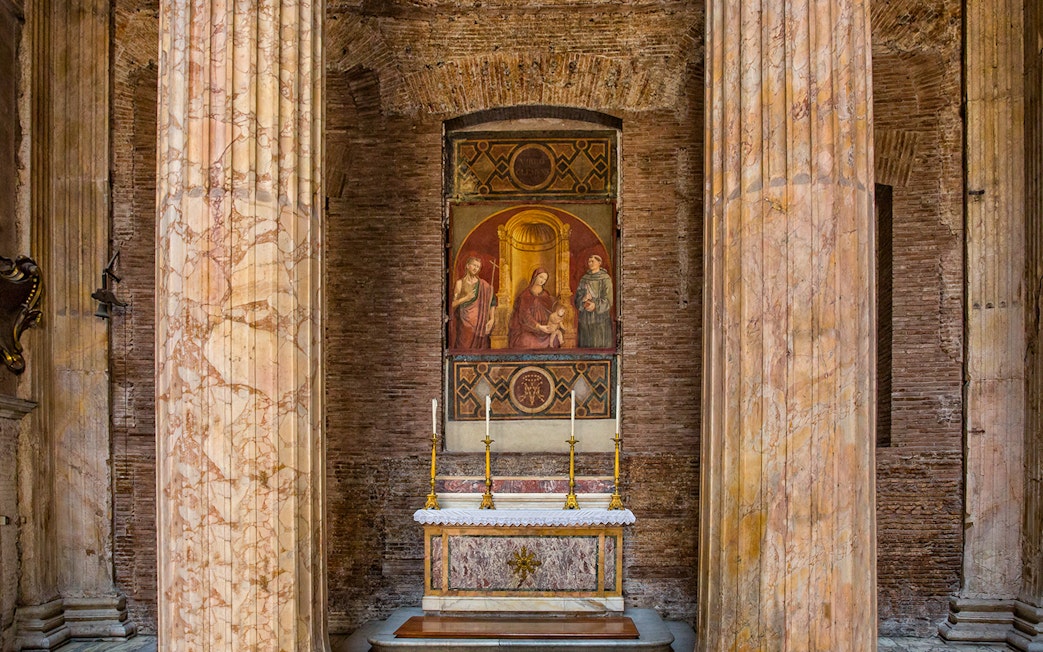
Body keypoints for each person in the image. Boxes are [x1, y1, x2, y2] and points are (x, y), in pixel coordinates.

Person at [451, 256, 495, 350]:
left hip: (480, 324)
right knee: (463, 347)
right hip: (464, 324)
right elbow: (453, 304)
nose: (476, 269)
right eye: (474, 265)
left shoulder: (485, 285)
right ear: (467, 266)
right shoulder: (460, 283)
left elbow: (492, 302)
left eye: (478, 267)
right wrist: (466, 298)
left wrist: (492, 319)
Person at [508, 268, 558, 349]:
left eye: (545, 279)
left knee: (555, 340)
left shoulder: (545, 294)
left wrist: (551, 325)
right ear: (535, 276)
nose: (543, 280)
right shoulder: (525, 294)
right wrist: (538, 326)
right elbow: (524, 315)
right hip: (529, 329)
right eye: (541, 277)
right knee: (526, 341)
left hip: (545, 329)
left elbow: (551, 312)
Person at [575, 254, 613, 348]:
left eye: (593, 261)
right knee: (585, 343)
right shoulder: (584, 278)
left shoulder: (605, 278)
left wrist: (595, 305)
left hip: (600, 318)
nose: (590, 263)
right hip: (585, 317)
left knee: (598, 342)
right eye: (589, 261)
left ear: (599, 263)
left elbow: (608, 299)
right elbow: (577, 297)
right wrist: (583, 300)